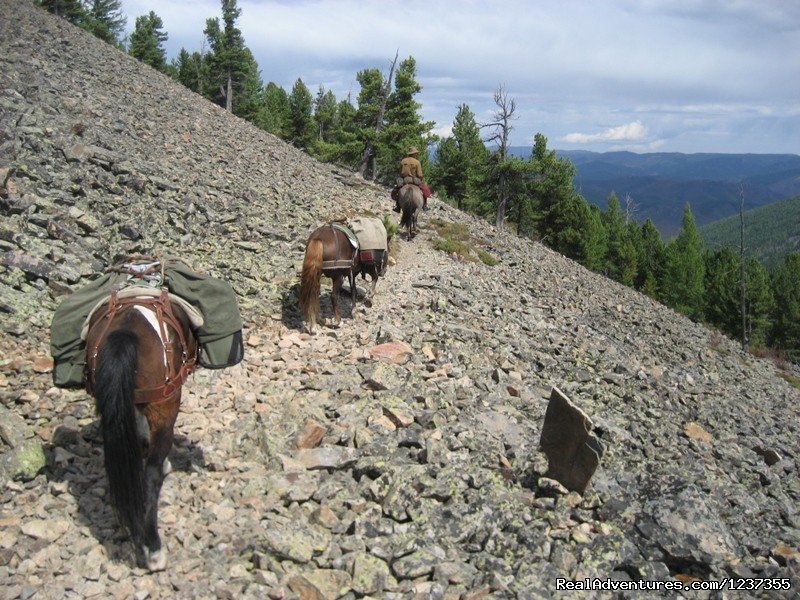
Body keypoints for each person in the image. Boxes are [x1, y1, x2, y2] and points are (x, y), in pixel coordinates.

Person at [392, 146, 432, 212]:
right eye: (416, 153)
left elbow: (400, 171)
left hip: (405, 180)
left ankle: (397, 206)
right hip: (415, 180)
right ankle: (425, 205)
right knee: (424, 189)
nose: (416, 154)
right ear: (414, 154)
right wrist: (420, 177)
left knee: (398, 190)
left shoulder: (403, 161)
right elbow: (420, 174)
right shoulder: (417, 162)